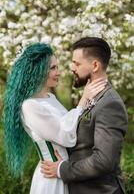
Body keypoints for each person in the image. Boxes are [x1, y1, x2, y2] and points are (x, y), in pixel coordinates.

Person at [4, 42, 106, 194]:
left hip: (64, 171)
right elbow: (65, 136)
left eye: (57, 67)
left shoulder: (50, 98)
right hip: (51, 178)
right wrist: (83, 100)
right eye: (52, 68)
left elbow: (72, 126)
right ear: (36, 71)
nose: (58, 72)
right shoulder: (29, 106)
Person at [41, 37, 128, 194]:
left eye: (77, 63)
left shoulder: (110, 104)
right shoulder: (93, 97)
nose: (72, 68)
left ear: (95, 65)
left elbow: (104, 161)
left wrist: (62, 169)